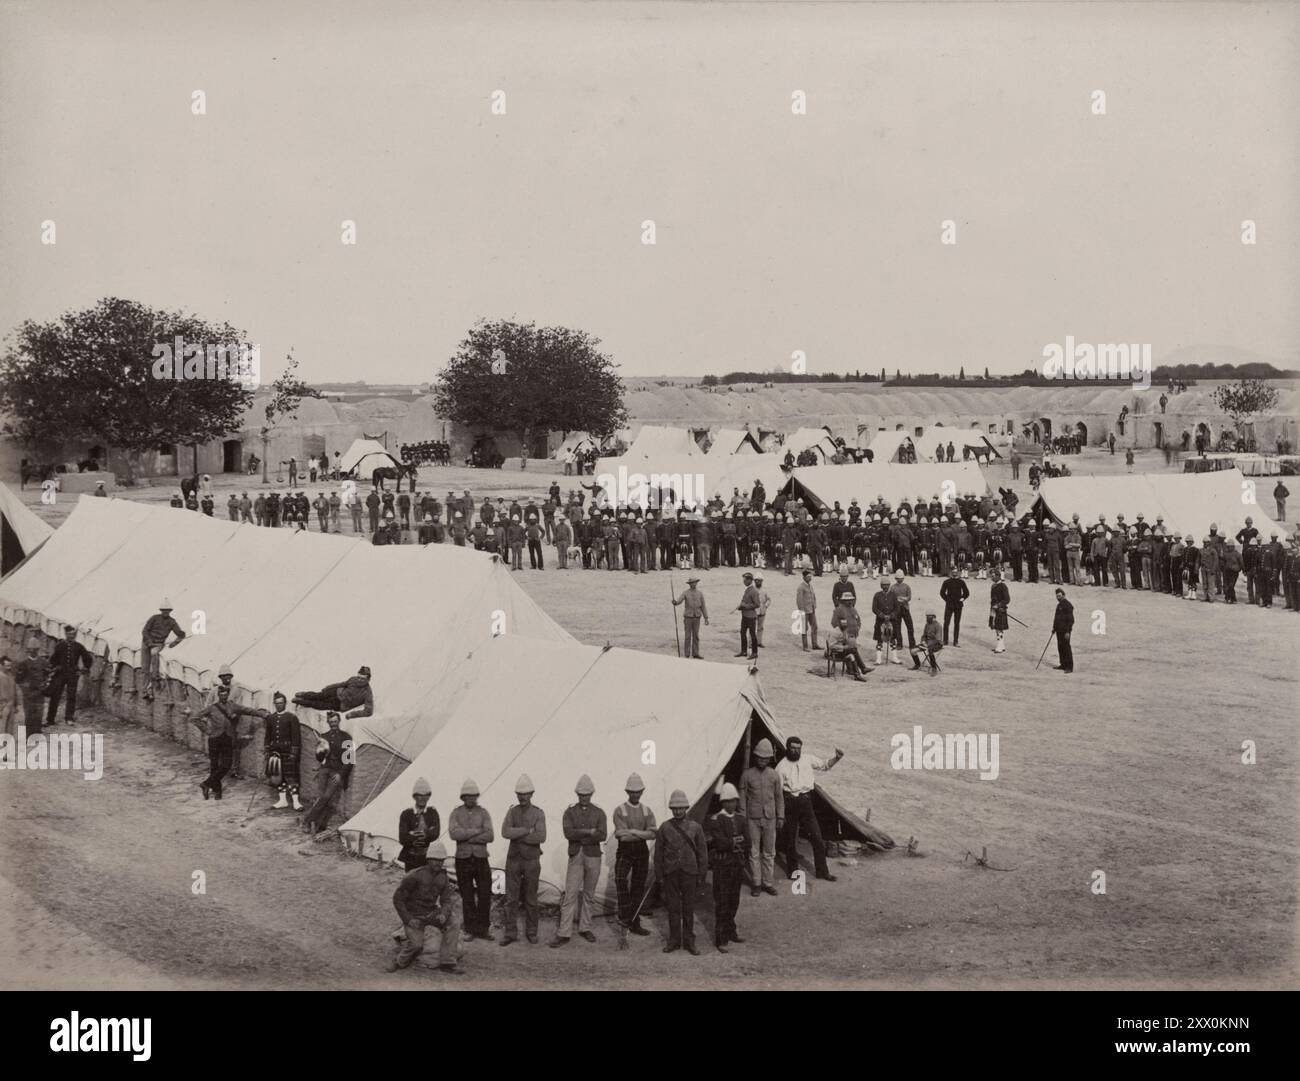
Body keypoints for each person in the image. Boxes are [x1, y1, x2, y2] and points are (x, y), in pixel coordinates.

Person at [386, 841, 462, 974]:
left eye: (441, 860)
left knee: (454, 922)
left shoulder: (443, 877)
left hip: (431, 913)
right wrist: (408, 919)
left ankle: (448, 962)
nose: (438, 863)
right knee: (416, 944)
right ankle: (399, 961)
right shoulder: (414, 875)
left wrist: (443, 913)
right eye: (435, 859)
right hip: (414, 916)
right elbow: (398, 899)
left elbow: (446, 900)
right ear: (428, 859)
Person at [776, 737, 842, 882]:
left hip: (806, 802)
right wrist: (780, 813)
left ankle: (822, 872)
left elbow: (825, 765)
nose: (796, 751)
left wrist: (837, 758)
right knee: (790, 839)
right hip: (790, 803)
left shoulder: (807, 759)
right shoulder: (781, 767)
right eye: (793, 748)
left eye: (798, 748)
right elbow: (778, 792)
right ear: (787, 748)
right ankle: (793, 872)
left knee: (817, 837)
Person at [553, 774, 606, 947]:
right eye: (582, 794)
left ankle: (585, 928)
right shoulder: (570, 812)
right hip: (575, 855)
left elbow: (602, 834)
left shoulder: (599, 812)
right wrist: (590, 832)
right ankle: (564, 932)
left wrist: (581, 834)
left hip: (594, 857)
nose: (584, 797)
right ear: (577, 794)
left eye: (588, 794)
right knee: (570, 894)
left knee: (589, 894)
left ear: (592, 794)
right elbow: (568, 833)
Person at [654, 789, 709, 955]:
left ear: (686, 808)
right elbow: (658, 855)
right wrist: (660, 877)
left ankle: (689, 941)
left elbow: (702, 853)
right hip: (671, 873)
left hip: (690, 872)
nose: (678, 811)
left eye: (681, 808)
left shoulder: (695, 827)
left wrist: (701, 875)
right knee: (673, 908)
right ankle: (674, 940)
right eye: (675, 808)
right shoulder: (664, 827)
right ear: (671, 809)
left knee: (688, 908)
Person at [189, 685, 265, 800]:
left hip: (228, 738)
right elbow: (194, 718)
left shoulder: (232, 706)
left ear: (228, 695)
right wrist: (207, 730)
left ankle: (206, 784)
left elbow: (247, 710)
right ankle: (217, 791)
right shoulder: (212, 708)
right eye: (221, 694)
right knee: (214, 765)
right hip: (214, 739)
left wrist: (262, 714)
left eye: (225, 694)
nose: (223, 696)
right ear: (218, 695)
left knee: (227, 765)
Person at [500, 774, 547, 946]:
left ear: (532, 794)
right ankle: (510, 932)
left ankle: (532, 931)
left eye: (526, 793)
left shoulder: (538, 813)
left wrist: (517, 834)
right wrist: (528, 830)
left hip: (531, 860)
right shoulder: (512, 811)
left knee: (531, 898)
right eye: (519, 794)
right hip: (513, 859)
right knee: (511, 898)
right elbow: (505, 832)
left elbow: (541, 837)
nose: (522, 797)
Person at [449, 779, 495, 941]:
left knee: (484, 893)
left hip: (481, 858)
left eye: (474, 796)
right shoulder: (456, 813)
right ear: (462, 797)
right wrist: (477, 831)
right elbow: (454, 834)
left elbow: (490, 836)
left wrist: (466, 836)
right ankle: (470, 928)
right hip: (462, 859)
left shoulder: (483, 813)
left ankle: (483, 929)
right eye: (468, 796)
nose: (471, 799)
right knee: (467, 894)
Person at [612, 773, 656, 937]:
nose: (635, 794)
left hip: (641, 851)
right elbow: (621, 836)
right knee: (620, 879)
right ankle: (625, 917)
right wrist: (642, 832)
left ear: (642, 792)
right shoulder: (620, 810)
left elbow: (653, 834)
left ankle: (634, 921)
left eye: (638, 791)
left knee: (638, 885)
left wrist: (632, 831)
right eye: (632, 791)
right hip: (625, 850)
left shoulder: (646, 810)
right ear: (627, 791)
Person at [705, 783, 748, 952]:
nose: (732, 804)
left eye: (734, 801)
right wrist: (736, 841)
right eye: (728, 801)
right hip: (722, 865)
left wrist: (733, 842)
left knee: (734, 900)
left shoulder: (740, 818)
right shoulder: (715, 820)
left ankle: (731, 931)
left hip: (736, 864)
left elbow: (749, 841)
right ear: (722, 803)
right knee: (722, 902)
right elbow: (720, 843)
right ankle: (721, 938)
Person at [738, 738, 784, 897]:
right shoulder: (747, 775)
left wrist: (781, 816)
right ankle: (756, 883)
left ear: (770, 758)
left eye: (765, 758)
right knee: (753, 851)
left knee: (769, 851)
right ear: (755, 757)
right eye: (759, 757)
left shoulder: (775, 775)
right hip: (752, 818)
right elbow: (742, 796)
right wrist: (742, 816)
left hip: (770, 818)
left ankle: (768, 883)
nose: (762, 760)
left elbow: (779, 797)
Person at [301, 711, 354, 836]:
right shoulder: (323, 736)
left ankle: (307, 821)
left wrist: (341, 774)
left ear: (339, 721)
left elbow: (350, 759)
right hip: (325, 770)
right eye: (331, 722)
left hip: (337, 772)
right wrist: (321, 748)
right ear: (328, 723)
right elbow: (319, 758)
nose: (333, 724)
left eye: (335, 722)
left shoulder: (347, 737)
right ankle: (318, 825)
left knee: (326, 797)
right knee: (321, 797)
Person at [139, 599, 187, 702]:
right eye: (164, 610)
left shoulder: (172, 622)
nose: (166, 612)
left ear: (170, 611)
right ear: (161, 610)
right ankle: (145, 690)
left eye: (168, 610)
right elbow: (144, 631)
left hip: (158, 644)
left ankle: (155, 677)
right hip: (146, 643)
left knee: (154, 653)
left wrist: (174, 643)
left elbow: (181, 634)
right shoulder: (154, 618)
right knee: (144, 667)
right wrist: (149, 642)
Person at [262, 692, 303, 809]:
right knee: (278, 775)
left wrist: (294, 752)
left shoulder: (292, 718)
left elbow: (296, 737)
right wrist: (267, 749)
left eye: (281, 703)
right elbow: (267, 736)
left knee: (291, 776)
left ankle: (296, 802)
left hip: (288, 751)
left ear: (285, 703)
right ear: (274, 704)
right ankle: (282, 800)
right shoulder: (271, 718)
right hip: (275, 752)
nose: (279, 705)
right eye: (277, 703)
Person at [46, 624, 92, 727]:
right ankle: (50, 719)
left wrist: (84, 669)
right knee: (55, 696)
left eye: (73, 634)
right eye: (70, 634)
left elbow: (87, 658)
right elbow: (53, 659)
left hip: (72, 675)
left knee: (71, 696)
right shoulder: (60, 645)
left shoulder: (78, 646)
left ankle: (69, 718)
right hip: (60, 674)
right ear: (66, 634)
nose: (72, 636)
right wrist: (55, 667)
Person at [292, 666, 373, 719]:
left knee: (320, 705)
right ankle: (303, 695)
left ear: (368, 680)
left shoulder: (367, 693)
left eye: (362, 679)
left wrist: (353, 714)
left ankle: (301, 701)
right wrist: (328, 687)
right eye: (358, 677)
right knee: (319, 695)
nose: (359, 680)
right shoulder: (353, 679)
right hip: (336, 692)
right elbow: (341, 684)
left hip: (341, 704)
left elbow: (368, 711)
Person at [399, 777, 440, 870]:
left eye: (426, 795)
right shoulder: (406, 813)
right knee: (411, 881)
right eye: (419, 795)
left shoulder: (433, 813)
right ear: (414, 796)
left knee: (426, 882)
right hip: (410, 857)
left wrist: (425, 834)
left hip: (428, 857)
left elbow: (436, 833)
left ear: (429, 796)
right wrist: (413, 838)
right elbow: (402, 838)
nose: (423, 798)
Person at [829, 594, 870, 681]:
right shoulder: (839, 609)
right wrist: (842, 632)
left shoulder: (853, 609)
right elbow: (834, 623)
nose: (850, 601)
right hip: (842, 638)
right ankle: (859, 670)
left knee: (852, 650)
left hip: (852, 635)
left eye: (851, 599)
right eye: (847, 600)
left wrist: (858, 627)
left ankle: (858, 670)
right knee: (851, 650)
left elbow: (858, 620)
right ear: (843, 600)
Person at [15, 638, 50, 734]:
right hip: (28, 693)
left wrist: (45, 685)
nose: (33, 651)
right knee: (29, 713)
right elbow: (18, 679)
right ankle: (29, 734)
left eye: (36, 649)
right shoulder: (23, 663)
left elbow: (47, 675)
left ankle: (37, 732)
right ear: (28, 650)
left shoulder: (43, 662)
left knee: (39, 713)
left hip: (40, 692)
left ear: (38, 650)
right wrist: (26, 688)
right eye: (31, 649)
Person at [672, 576, 709, 659]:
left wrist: (706, 618)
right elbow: (679, 601)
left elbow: (703, 606)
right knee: (687, 636)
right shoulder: (685, 593)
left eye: (695, 582)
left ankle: (696, 653)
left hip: (697, 617)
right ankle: (687, 654)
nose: (694, 584)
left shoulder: (700, 593)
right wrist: (675, 602)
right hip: (688, 617)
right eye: (692, 583)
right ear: (689, 584)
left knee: (696, 636)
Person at [939, 566, 969, 646]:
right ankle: (945, 640)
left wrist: (962, 599)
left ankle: (956, 641)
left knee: (957, 623)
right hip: (949, 605)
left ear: (958, 573)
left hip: (958, 605)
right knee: (946, 623)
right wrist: (947, 600)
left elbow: (966, 593)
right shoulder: (946, 582)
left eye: (956, 572)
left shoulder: (961, 582)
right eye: (953, 572)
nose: (954, 573)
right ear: (951, 572)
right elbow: (942, 593)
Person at [796, 567, 819, 652]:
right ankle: (805, 646)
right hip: (804, 611)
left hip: (812, 610)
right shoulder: (801, 587)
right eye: (808, 576)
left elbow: (813, 597)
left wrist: (814, 605)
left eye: (810, 576)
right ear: (804, 577)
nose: (810, 578)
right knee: (804, 628)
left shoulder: (810, 586)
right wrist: (801, 611)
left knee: (815, 627)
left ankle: (814, 644)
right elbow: (799, 600)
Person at [1052, 588, 1075, 673]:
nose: (1058, 598)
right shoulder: (1059, 605)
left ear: (1064, 595)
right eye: (1057, 596)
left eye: (1060, 596)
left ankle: (1069, 667)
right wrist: (1054, 628)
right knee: (1060, 647)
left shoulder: (1068, 605)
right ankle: (1063, 664)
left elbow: (1071, 620)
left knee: (1066, 648)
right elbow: (1056, 618)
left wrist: (1068, 631)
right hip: (1059, 630)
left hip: (1065, 631)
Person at [989, 569, 1010, 654]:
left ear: (998, 576)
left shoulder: (1003, 586)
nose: (992, 578)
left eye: (993, 576)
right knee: (996, 628)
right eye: (991, 576)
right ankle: (1001, 645)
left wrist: (999, 605)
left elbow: (1007, 599)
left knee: (999, 628)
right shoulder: (993, 586)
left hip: (1000, 610)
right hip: (993, 610)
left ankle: (1000, 646)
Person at [0, 657, 17, 738]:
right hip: (2, 705)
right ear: (1, 665)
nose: (9, 668)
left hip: (11, 704)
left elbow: (14, 690)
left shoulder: (11, 676)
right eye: (7, 666)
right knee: (2, 726)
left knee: (10, 726)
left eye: (10, 665)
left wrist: (16, 705)